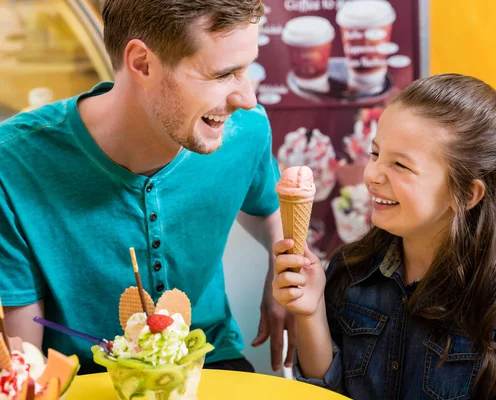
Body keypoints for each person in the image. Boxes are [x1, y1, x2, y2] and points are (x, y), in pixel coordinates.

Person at [0, 0, 296, 375]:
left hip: (211, 362)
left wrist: (281, 263)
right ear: (141, 63)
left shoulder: (246, 132)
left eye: (246, 69)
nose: (247, 97)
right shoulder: (12, 162)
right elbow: (26, 357)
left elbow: (266, 204)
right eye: (223, 74)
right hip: (86, 379)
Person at [272, 74, 496, 399]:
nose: (372, 175)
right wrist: (311, 310)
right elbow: (326, 392)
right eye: (375, 154)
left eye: (400, 165)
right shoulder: (351, 271)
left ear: (466, 194)